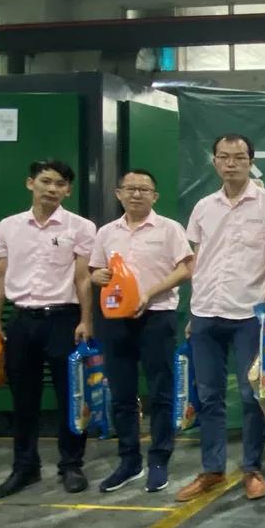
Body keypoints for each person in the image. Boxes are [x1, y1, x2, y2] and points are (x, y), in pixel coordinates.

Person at [177, 134, 265, 504]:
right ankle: (212, 469)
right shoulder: (204, 207)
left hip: (249, 313)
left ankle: (252, 468)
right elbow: (199, 258)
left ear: (251, 161)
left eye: (239, 157)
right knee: (208, 395)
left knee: (252, 395)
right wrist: (194, 310)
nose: (231, 163)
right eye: (224, 157)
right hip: (206, 312)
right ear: (215, 161)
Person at [0, 160, 96, 497]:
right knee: (24, 398)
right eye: (46, 181)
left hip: (63, 320)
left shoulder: (80, 227)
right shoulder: (9, 226)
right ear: (30, 183)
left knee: (71, 395)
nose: (52, 188)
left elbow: (83, 278)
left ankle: (71, 465)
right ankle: (25, 467)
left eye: (60, 184)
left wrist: (86, 320)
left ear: (68, 190)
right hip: (22, 321)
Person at [90, 169, 193, 494]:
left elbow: (185, 269)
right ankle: (129, 461)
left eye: (144, 189)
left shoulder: (169, 229)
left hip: (157, 318)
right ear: (119, 193)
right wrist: (97, 277)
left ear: (155, 196)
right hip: (115, 320)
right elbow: (95, 271)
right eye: (130, 188)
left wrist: (149, 293)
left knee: (161, 393)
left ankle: (159, 460)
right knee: (122, 394)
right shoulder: (107, 232)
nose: (137, 194)